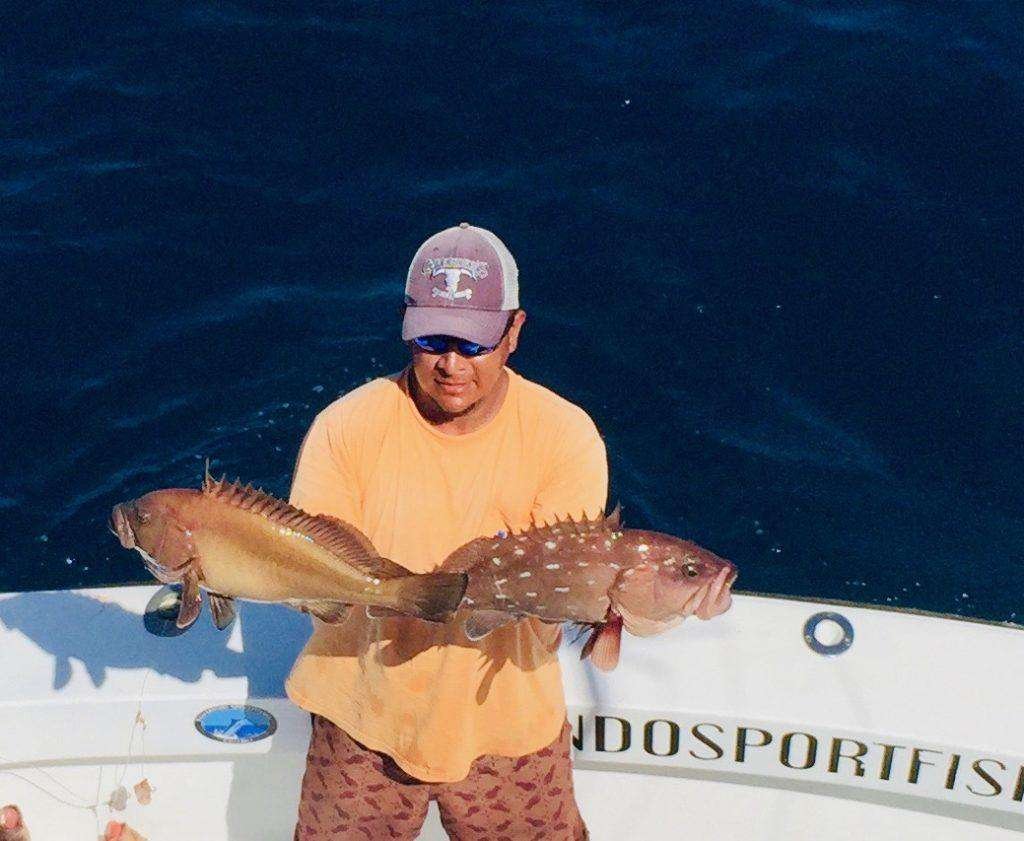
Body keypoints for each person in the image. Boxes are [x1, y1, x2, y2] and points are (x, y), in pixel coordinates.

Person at [288, 222, 607, 840]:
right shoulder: (344, 426)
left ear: (514, 331)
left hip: (506, 724)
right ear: (407, 325)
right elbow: (313, 571)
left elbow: (555, 586)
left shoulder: (567, 437)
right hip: (362, 714)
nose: (451, 364)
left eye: (476, 343)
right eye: (432, 339)